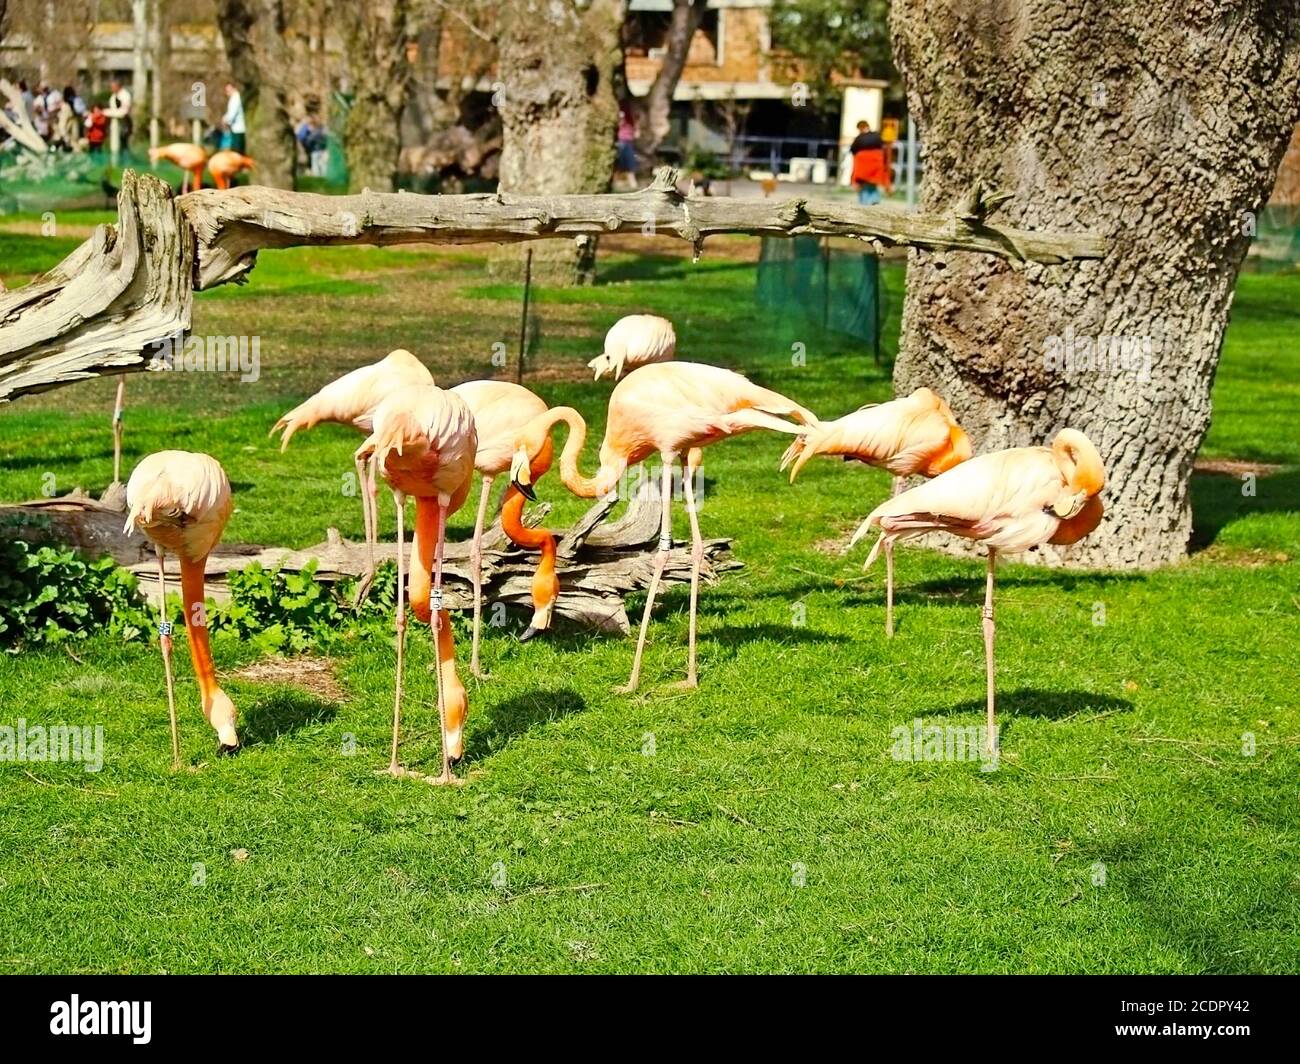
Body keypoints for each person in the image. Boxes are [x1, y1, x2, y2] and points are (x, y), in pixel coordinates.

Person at [849, 120, 892, 205]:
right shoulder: (877, 136)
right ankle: (874, 200)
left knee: (864, 185)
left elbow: (853, 151)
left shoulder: (859, 138)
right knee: (873, 184)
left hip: (863, 164)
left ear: (860, 128)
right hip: (876, 163)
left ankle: (865, 203)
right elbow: (884, 149)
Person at [105, 78, 133, 155]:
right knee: (116, 144)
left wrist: (107, 112)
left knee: (124, 143)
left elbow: (123, 112)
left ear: (118, 86)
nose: (111, 89)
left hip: (124, 124)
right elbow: (112, 109)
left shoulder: (125, 95)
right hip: (115, 124)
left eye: (113, 87)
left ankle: (126, 162)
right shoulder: (113, 97)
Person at [614, 102, 638, 191]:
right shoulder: (621, 112)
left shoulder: (631, 114)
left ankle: (633, 184)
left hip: (629, 141)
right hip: (621, 141)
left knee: (630, 163)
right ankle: (614, 183)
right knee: (619, 164)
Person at [223, 82, 246, 154]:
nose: (228, 92)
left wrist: (225, 120)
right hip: (236, 128)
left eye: (229, 90)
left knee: (237, 153)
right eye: (227, 91)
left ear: (234, 88)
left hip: (238, 129)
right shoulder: (235, 98)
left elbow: (232, 114)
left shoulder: (235, 98)